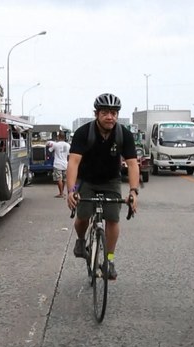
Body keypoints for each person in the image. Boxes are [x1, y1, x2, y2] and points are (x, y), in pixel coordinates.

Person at [66, 93, 139, 280]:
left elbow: (132, 164)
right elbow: (73, 162)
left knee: (113, 219)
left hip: (111, 181)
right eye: (105, 112)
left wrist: (133, 191)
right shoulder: (84, 133)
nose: (110, 117)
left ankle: (109, 260)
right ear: (96, 114)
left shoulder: (124, 134)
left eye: (114, 113)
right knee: (82, 216)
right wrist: (71, 191)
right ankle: (81, 242)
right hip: (87, 180)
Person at [47, 133, 71, 198]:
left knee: (59, 179)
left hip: (57, 164)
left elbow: (49, 151)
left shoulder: (56, 144)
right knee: (64, 179)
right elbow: (69, 155)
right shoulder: (68, 145)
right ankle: (62, 192)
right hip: (65, 164)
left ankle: (61, 193)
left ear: (58, 137)